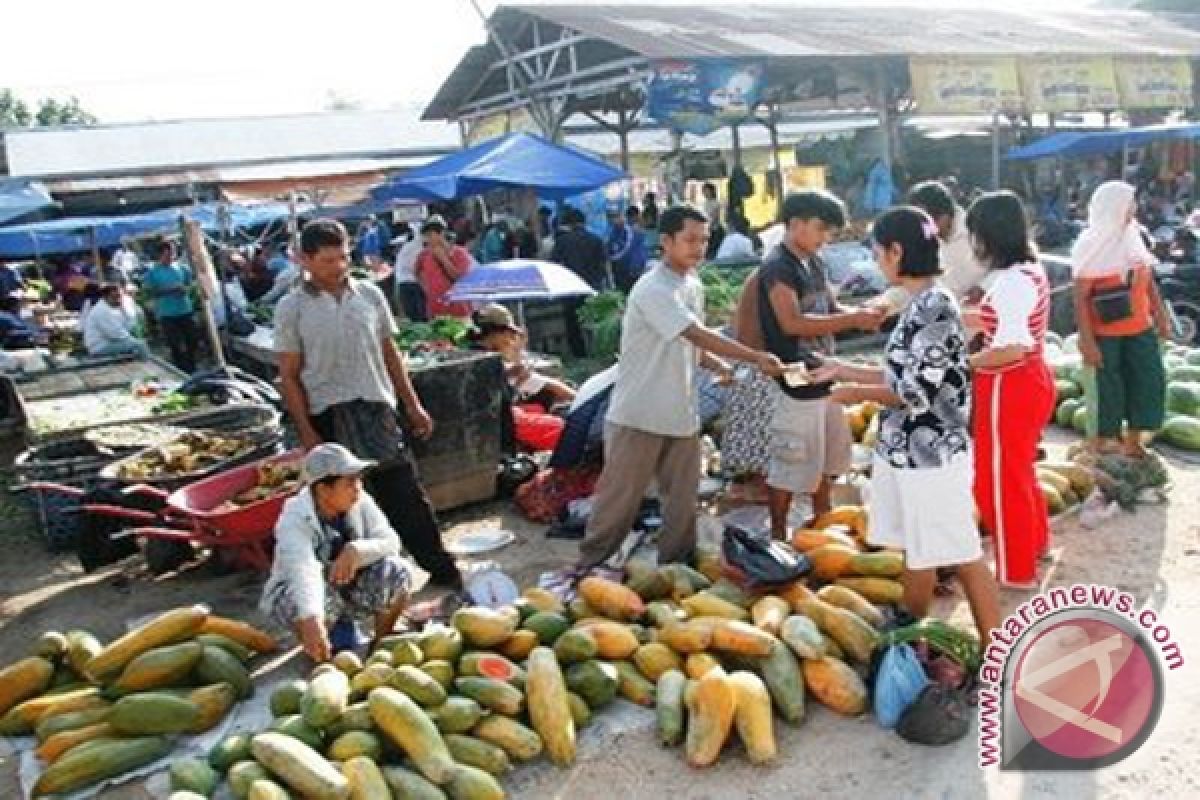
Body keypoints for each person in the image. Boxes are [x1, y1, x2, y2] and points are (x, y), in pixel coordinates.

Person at [816, 207, 1000, 648]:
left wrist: (850, 393)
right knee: (919, 550)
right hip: (907, 453)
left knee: (962, 554)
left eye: (879, 251)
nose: (878, 260)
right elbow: (900, 376)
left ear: (897, 251)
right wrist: (840, 370)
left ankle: (1000, 650)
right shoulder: (919, 303)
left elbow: (914, 393)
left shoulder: (935, 308)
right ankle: (909, 632)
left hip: (933, 456)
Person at [576, 206, 785, 571]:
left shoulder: (692, 284)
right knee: (618, 504)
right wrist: (754, 357)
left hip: (681, 413)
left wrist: (719, 365)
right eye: (690, 240)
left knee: (683, 503)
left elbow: (693, 344)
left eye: (704, 240)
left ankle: (677, 570)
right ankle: (588, 569)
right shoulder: (652, 287)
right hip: (639, 414)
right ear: (666, 242)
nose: (698, 247)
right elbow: (693, 332)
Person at [276, 218, 462, 590]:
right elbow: (289, 376)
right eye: (328, 260)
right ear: (305, 260)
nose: (338, 267)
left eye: (343, 257)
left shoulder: (370, 295)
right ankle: (358, 587)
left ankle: (441, 569)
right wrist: (308, 433)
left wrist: (413, 405)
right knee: (346, 507)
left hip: (377, 408)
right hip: (328, 414)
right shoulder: (291, 307)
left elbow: (390, 355)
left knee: (406, 496)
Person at [759, 190, 885, 540]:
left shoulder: (813, 262)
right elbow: (792, 323)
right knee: (790, 464)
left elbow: (832, 310)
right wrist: (851, 321)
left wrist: (863, 316)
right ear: (795, 223)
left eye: (829, 231)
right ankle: (779, 537)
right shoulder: (777, 267)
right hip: (795, 381)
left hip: (825, 375)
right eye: (821, 229)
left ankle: (822, 524)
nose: (825, 238)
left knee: (827, 461)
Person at [963, 191, 1055, 590]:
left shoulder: (1013, 282)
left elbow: (1011, 347)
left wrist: (959, 365)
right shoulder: (1028, 270)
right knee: (1018, 473)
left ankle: (1017, 571)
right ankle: (1035, 546)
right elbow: (998, 322)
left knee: (997, 483)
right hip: (1026, 381)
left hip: (1009, 385)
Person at [260, 443, 414, 661]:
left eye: (358, 479)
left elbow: (391, 541)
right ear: (323, 489)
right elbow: (304, 571)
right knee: (306, 607)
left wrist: (358, 551)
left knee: (399, 570)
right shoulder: (293, 518)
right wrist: (311, 619)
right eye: (350, 482)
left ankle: (380, 646)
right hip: (309, 593)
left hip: (348, 588)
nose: (358, 487)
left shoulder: (360, 500)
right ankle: (321, 650)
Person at [1072, 181, 1170, 458]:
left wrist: (1160, 315)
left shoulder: (1134, 236)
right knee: (1108, 386)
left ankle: (1134, 439)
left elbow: (1148, 280)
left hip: (1141, 327)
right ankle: (1104, 440)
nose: (1134, 209)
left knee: (1148, 381)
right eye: (1129, 204)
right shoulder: (1090, 245)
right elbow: (1080, 298)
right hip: (1105, 332)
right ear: (1113, 207)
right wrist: (1086, 339)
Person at [721, 268, 774, 499]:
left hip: (759, 364)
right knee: (756, 444)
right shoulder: (769, 275)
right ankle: (750, 489)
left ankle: (753, 488)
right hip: (756, 366)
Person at [469, 303, 575, 410]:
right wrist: (521, 378)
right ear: (495, 333)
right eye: (508, 333)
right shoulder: (486, 360)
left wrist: (514, 370)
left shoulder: (476, 354)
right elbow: (504, 400)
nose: (509, 339)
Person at [908, 180, 987, 301]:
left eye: (927, 223)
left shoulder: (978, 232)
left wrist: (984, 287)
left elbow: (1009, 265)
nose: (924, 229)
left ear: (945, 215)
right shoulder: (924, 237)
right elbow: (914, 279)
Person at [552, 207, 610, 357]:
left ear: (568, 224)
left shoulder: (562, 242)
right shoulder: (596, 240)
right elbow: (604, 265)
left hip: (570, 289)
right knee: (595, 321)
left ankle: (579, 354)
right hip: (593, 287)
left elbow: (555, 265)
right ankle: (599, 350)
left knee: (573, 324)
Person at [142, 240, 198, 373]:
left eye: (173, 253)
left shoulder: (183, 268)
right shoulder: (153, 272)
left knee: (192, 339)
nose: (171, 256)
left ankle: (191, 364)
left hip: (185, 309)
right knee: (174, 343)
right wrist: (169, 290)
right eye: (168, 254)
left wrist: (186, 289)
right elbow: (149, 292)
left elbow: (191, 284)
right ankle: (179, 368)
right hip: (167, 313)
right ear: (160, 255)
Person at [415, 215, 472, 318]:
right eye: (426, 235)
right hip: (435, 310)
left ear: (441, 234)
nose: (427, 239)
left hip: (459, 309)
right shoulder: (424, 255)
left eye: (430, 235)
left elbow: (459, 278)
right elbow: (417, 272)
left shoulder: (459, 253)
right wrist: (427, 289)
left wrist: (443, 258)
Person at [84, 284, 147, 357]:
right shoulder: (101, 310)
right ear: (105, 297)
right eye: (114, 297)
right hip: (99, 347)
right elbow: (116, 334)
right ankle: (148, 365)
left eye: (119, 296)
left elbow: (127, 326)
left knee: (136, 343)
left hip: (110, 342)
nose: (118, 299)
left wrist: (124, 311)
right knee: (140, 345)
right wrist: (133, 340)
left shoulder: (112, 308)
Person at [606, 207, 647, 293]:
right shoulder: (611, 234)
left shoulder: (633, 231)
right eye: (610, 217)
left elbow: (633, 250)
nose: (614, 220)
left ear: (622, 216)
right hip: (620, 273)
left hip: (634, 271)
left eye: (616, 216)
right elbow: (609, 252)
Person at [392, 225, 427, 322]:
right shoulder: (417, 247)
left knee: (415, 314)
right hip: (412, 283)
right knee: (418, 313)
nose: (396, 248)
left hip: (410, 283)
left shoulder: (411, 247)